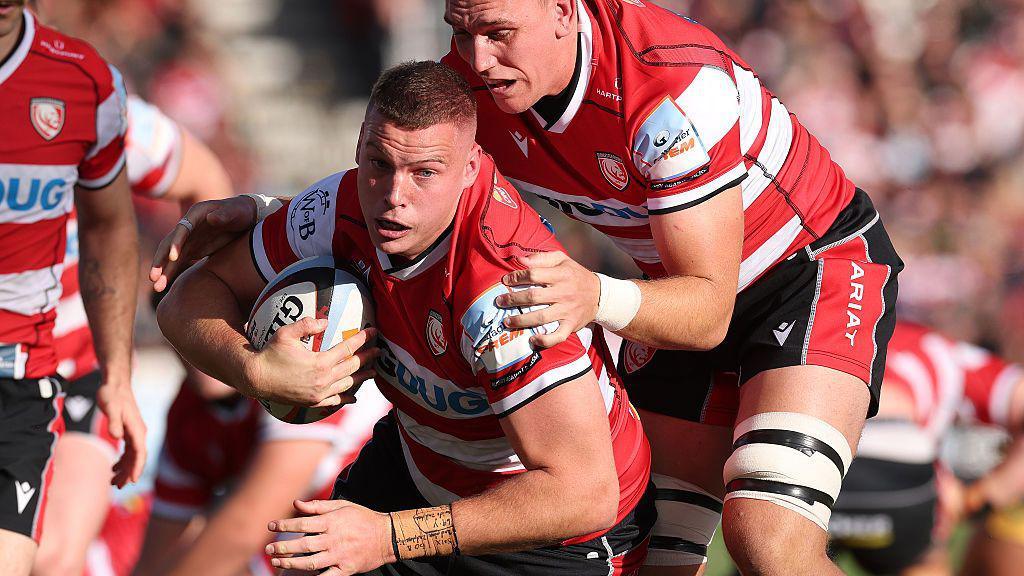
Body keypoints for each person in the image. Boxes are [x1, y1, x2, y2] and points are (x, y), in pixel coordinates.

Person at [153, 2, 904, 574]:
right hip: (666, 283)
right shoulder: (481, 74)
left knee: (766, 541)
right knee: (663, 559)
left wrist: (592, 296)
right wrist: (270, 213)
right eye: (461, 27)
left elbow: (707, 311)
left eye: (498, 31)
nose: (476, 57)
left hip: (806, 271)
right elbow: (415, 167)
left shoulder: (670, 91)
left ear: (564, 8)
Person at [157, 60, 654, 575]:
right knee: (310, 561)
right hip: (423, 472)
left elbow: (582, 494)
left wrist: (387, 537)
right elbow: (187, 297)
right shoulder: (338, 207)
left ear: (470, 169)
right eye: (378, 164)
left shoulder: (505, 290)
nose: (394, 196)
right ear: (358, 148)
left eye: (425, 173)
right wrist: (254, 370)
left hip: (556, 533)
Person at [31, 94, 234, 576]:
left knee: (52, 555)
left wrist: (205, 321)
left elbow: (203, 178)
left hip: (73, 366)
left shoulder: (82, 97)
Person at [0, 3, 146, 574]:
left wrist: (118, 375)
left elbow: (112, 226)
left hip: (25, 376)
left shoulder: (89, 86)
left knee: (52, 559)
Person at [132, 374, 390, 576]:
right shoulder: (187, 412)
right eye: (158, 304)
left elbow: (243, 531)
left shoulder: (304, 376)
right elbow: (154, 560)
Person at [829, 321, 1024, 576]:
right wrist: (987, 492)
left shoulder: (828, 327)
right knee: (925, 560)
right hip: (894, 467)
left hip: (809, 459)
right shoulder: (941, 351)